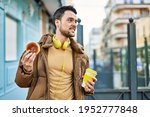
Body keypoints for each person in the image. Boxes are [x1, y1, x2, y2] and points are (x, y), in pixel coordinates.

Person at [15, 5, 96, 100]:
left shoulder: (81, 56)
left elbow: (84, 87)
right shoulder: (37, 50)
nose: (74, 24)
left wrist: (88, 89)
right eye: (70, 20)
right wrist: (27, 70)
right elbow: (21, 83)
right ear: (57, 22)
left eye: (75, 21)